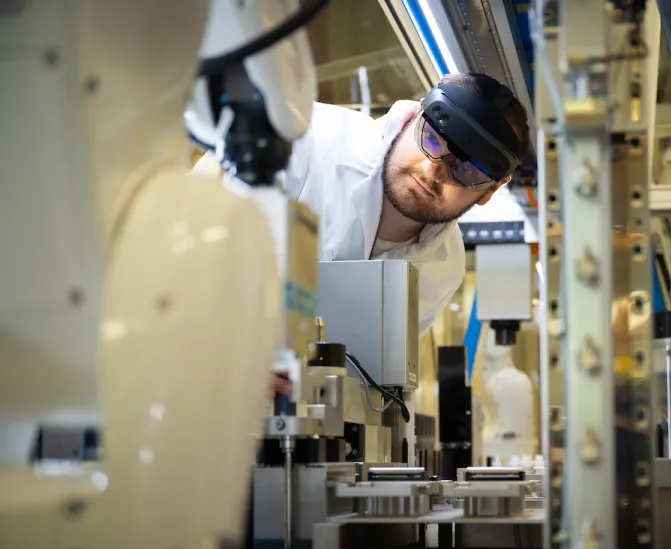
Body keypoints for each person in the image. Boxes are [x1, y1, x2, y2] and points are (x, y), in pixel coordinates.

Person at [194, 73, 531, 396]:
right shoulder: (301, 139)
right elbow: (182, 255)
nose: (434, 170)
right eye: (432, 138)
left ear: (490, 191)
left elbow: (373, 376)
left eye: (467, 170)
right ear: (413, 116)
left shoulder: (443, 269)